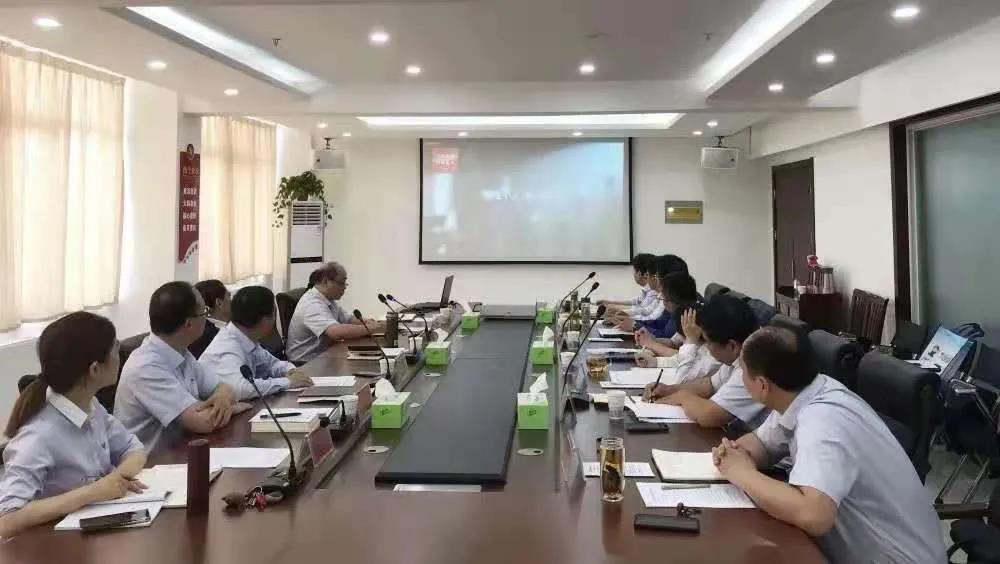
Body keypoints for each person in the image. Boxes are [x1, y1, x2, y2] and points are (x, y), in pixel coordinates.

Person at [713, 327, 946, 563]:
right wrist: (736, 453)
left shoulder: (823, 420)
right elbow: (762, 444)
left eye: (743, 372)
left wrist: (742, 473)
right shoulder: (805, 392)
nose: (740, 378)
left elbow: (814, 515)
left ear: (762, 385)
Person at [0, 312, 147, 538]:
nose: (120, 357)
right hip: (53, 546)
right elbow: (7, 519)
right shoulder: (38, 436)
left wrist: (117, 479)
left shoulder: (89, 404)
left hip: (95, 533)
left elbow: (133, 448)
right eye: (116, 350)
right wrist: (92, 493)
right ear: (95, 369)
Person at [114, 281, 239, 450]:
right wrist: (232, 407)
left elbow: (224, 387)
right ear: (189, 324)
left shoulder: (179, 351)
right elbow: (204, 422)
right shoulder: (145, 367)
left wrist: (223, 398)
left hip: (181, 451)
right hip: (151, 462)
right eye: (204, 312)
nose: (207, 318)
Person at [643, 294, 767, 429]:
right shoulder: (739, 351)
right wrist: (669, 389)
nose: (706, 348)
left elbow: (709, 415)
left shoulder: (753, 364)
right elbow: (710, 385)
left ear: (731, 346)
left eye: (708, 342)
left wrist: (682, 397)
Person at [199, 286, 314, 400]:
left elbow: (272, 364)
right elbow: (240, 389)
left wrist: (291, 370)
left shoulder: (245, 338)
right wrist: (287, 382)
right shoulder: (228, 346)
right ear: (265, 320)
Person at [286, 262, 385, 363]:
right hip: (305, 364)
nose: (345, 287)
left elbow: (349, 319)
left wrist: (369, 322)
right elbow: (336, 332)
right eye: (341, 283)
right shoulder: (311, 304)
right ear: (325, 281)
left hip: (323, 356)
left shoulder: (328, 300)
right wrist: (370, 328)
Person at [637, 306, 722, 384]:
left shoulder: (714, 357)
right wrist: (655, 362)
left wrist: (690, 340)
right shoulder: (702, 349)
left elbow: (681, 380)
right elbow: (681, 359)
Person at [612, 254, 688, 336]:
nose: (654, 280)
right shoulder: (671, 298)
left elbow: (666, 335)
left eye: (656, 276)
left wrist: (635, 325)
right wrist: (633, 322)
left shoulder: (681, 302)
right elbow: (658, 323)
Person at [634, 271, 700, 358]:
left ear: (672, 301)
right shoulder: (683, 314)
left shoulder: (694, 320)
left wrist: (651, 344)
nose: (663, 303)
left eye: (663, 298)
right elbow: (673, 343)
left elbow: (683, 358)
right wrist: (650, 339)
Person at [599, 253, 662, 321]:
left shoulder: (655, 292)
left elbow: (646, 313)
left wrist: (621, 311)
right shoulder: (650, 290)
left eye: (634, 271)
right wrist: (613, 304)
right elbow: (640, 306)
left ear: (640, 273)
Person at [189, 279, 230, 358]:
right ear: (219, 303)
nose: (232, 302)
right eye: (229, 297)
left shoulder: (196, 331)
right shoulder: (210, 336)